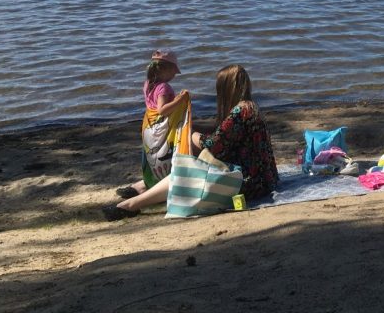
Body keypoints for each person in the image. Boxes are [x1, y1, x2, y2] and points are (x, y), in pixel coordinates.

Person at [104, 64, 279, 219]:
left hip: (249, 183)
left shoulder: (240, 111)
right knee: (189, 159)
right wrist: (193, 126)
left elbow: (213, 146)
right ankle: (146, 187)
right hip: (265, 179)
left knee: (186, 171)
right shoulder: (251, 107)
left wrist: (192, 134)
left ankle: (132, 204)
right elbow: (225, 133)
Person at [115, 50, 191, 199]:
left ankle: (147, 184)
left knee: (153, 156)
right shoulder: (164, 87)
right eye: (174, 72)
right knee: (165, 155)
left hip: (148, 125)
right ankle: (162, 185)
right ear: (165, 69)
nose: (174, 76)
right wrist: (180, 100)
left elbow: (153, 106)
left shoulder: (147, 84)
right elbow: (162, 110)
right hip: (159, 126)